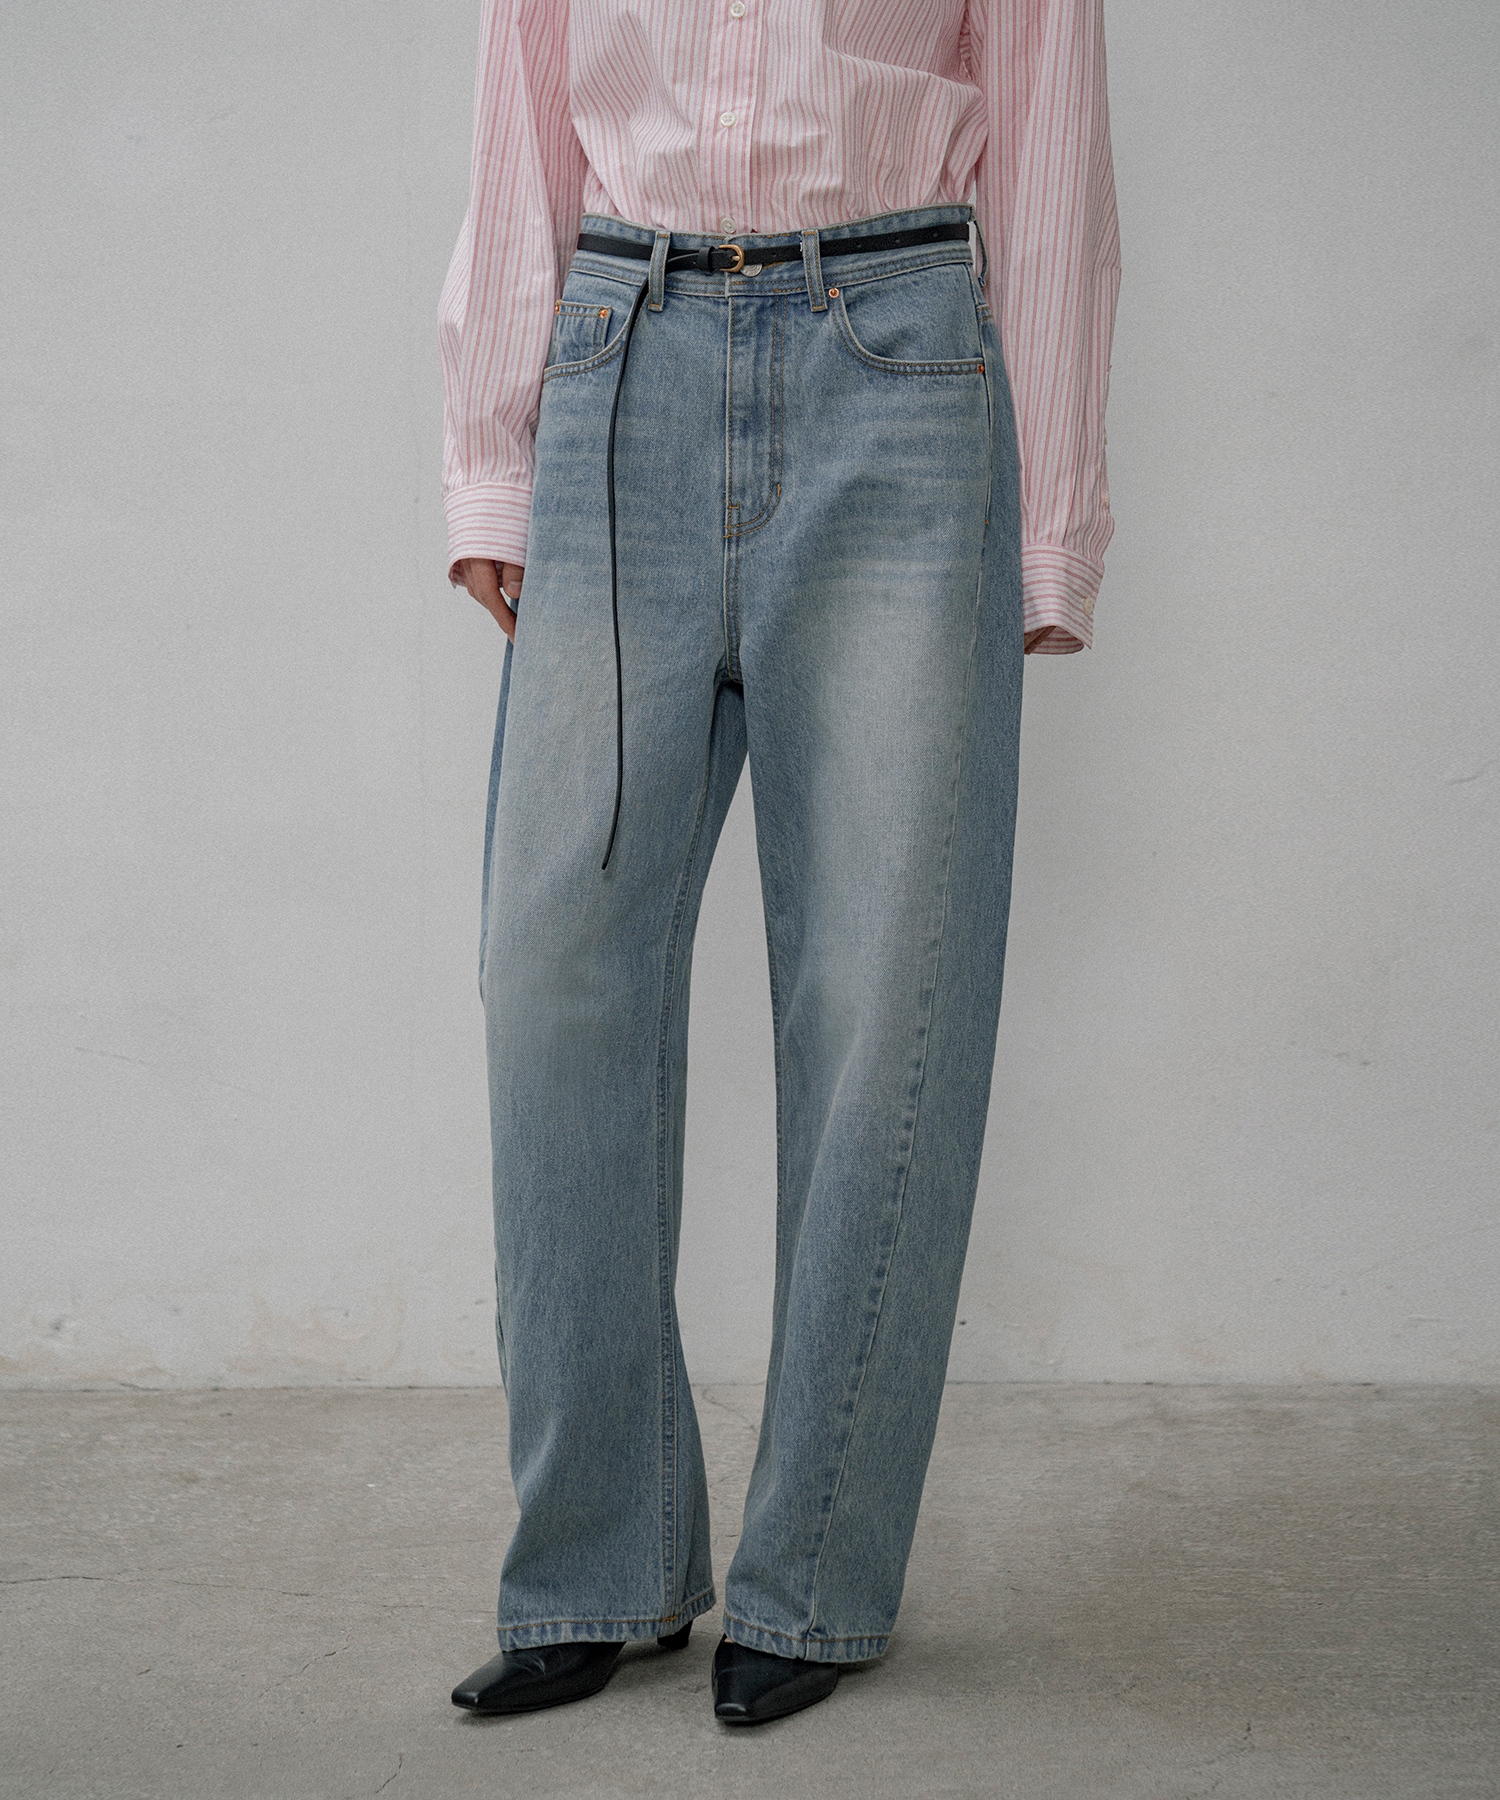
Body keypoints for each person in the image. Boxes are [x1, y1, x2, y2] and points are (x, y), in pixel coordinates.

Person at [441, 0, 1119, 1728]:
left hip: (896, 362)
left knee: (885, 998)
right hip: (620, 356)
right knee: (553, 975)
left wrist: (1051, 525)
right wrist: (491, 461)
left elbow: (1049, 139)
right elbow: (523, 105)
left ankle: (813, 1575)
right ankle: (599, 1559)